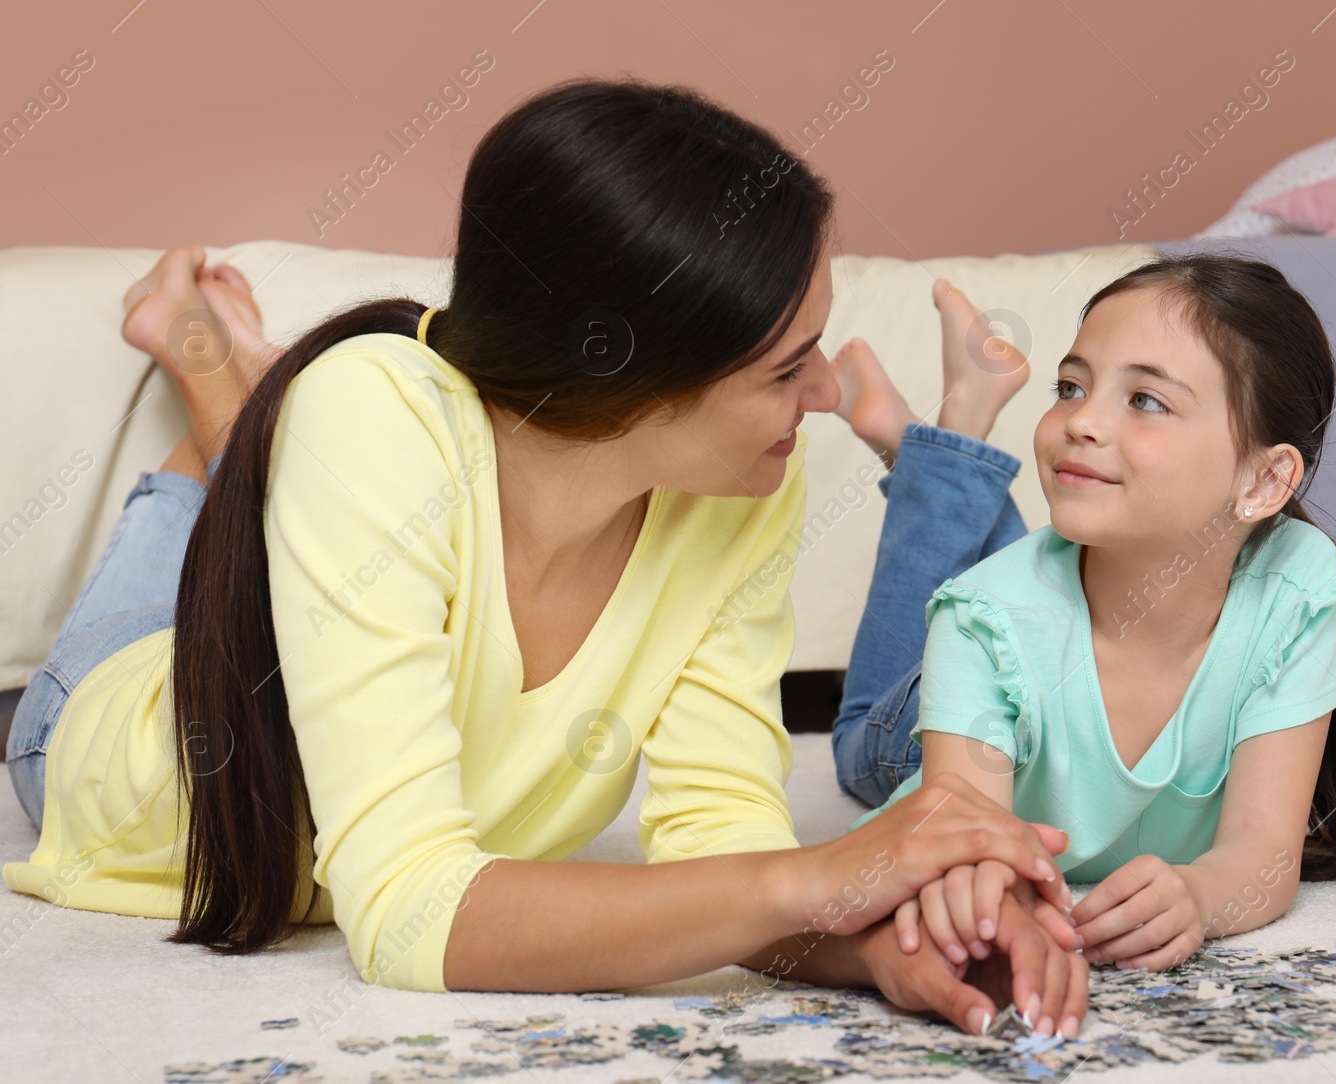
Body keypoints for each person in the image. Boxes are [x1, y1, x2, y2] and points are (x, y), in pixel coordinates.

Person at [3, 77, 1089, 1037]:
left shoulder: (746, 484)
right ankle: (210, 388)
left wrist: (878, 944)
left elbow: (729, 852)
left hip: (346, 513)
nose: (822, 399)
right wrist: (828, 874)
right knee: (202, 506)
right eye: (784, 369)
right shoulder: (373, 413)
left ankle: (238, 394)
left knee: (280, 464)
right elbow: (411, 915)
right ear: (631, 375)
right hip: (112, 749)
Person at [830, 254, 1336, 1009]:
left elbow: (1264, 852)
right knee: (858, 742)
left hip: (1031, 622)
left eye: (1146, 400)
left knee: (1046, 554)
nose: (1083, 421)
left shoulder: (1297, 590)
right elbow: (965, 856)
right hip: (934, 716)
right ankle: (938, 444)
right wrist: (995, 901)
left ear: (1263, 482)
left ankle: (941, 439)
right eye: (1069, 387)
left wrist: (1199, 895)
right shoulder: (983, 620)